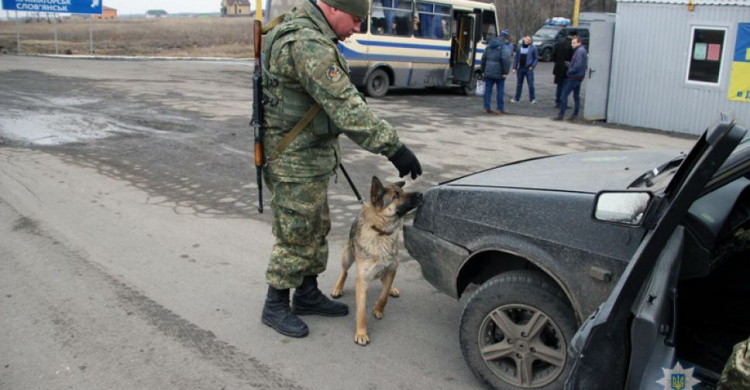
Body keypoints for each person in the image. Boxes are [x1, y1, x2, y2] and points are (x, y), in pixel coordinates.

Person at [259, 0, 423, 338]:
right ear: (332, 8)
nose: (358, 28)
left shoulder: (308, 32)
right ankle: (275, 304)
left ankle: (305, 294)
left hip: (308, 155)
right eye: (356, 19)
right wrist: (394, 147)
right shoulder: (308, 43)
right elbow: (347, 108)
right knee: (295, 235)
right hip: (295, 160)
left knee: (316, 227)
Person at [554, 36, 588, 121]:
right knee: (576, 96)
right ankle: (575, 115)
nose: (572, 45)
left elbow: (578, 64)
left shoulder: (579, 51)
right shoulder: (582, 50)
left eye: (574, 43)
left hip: (574, 76)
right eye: (572, 43)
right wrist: (570, 65)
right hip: (579, 76)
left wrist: (570, 71)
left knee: (564, 95)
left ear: (579, 43)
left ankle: (561, 115)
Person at [479, 31, 511, 114]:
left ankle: (486, 107)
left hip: (488, 71)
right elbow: (506, 60)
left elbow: (483, 58)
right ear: (506, 38)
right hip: (499, 72)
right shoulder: (504, 47)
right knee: (500, 90)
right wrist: (505, 72)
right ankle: (500, 108)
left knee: (488, 90)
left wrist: (483, 70)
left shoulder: (489, 45)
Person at [511, 35, 539, 104]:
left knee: (530, 84)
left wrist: (532, 66)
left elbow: (536, 58)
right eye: (526, 39)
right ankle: (517, 98)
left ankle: (532, 99)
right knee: (519, 84)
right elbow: (516, 58)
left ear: (531, 41)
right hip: (521, 68)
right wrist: (514, 68)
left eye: (529, 40)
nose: (527, 41)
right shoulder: (520, 47)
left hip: (529, 69)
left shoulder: (533, 48)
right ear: (524, 39)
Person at [551, 33, 574, 108]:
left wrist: (557, 62)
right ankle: (564, 102)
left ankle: (558, 101)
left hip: (558, 68)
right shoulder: (571, 45)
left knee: (559, 86)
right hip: (566, 68)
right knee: (565, 87)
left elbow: (553, 55)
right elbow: (572, 57)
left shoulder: (559, 43)